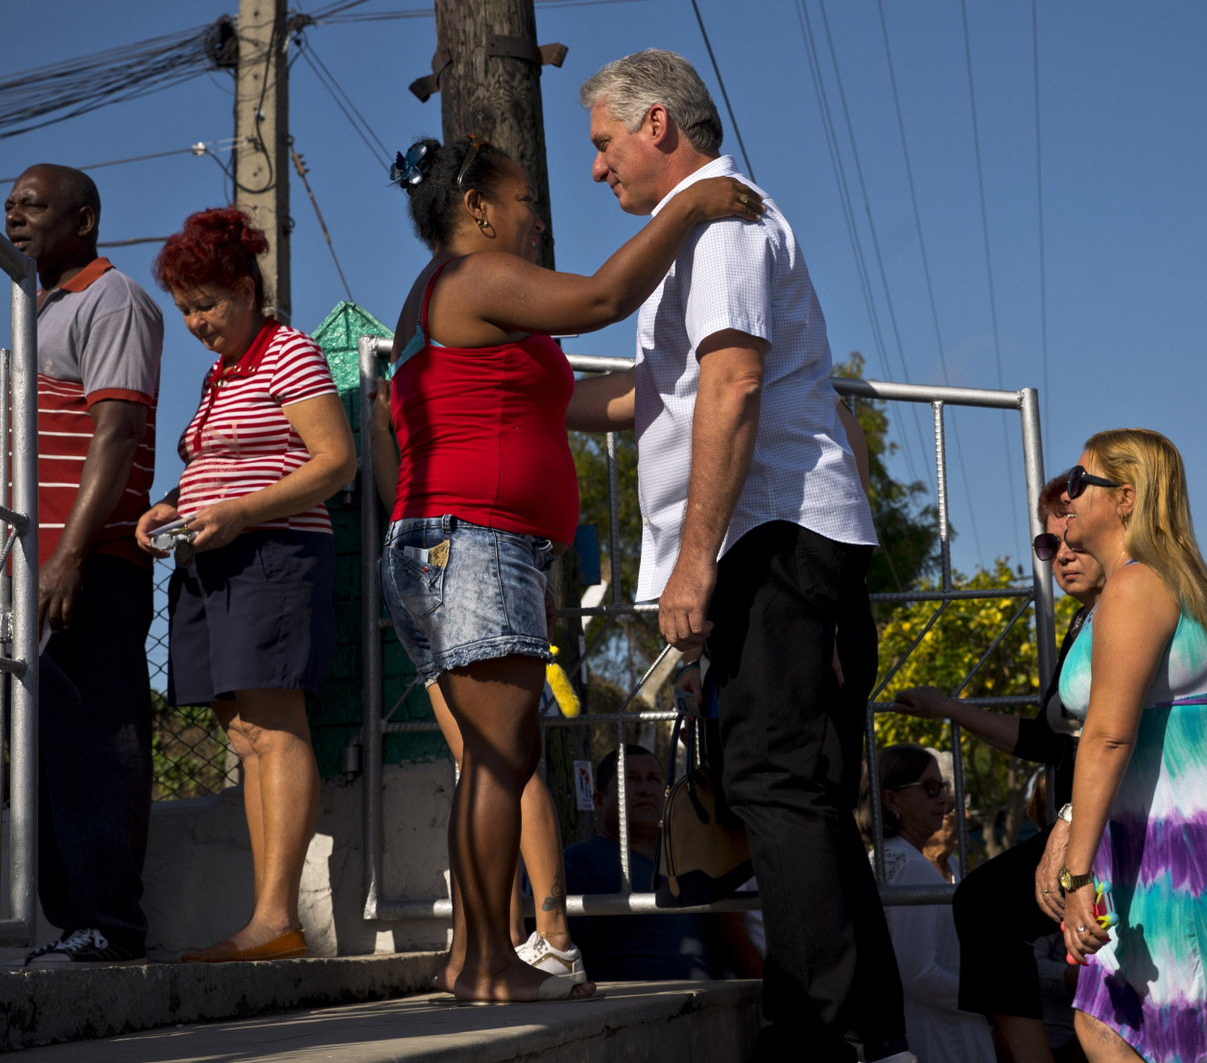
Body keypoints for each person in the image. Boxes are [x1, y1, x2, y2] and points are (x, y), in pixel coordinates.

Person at [576, 49, 910, 1063]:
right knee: (789, 786)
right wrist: (520, 388)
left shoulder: (719, 222)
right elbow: (655, 394)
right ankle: (869, 1035)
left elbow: (731, 385)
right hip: (780, 536)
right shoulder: (697, 235)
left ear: (657, 127)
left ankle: (818, 1033)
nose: (597, 170)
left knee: (773, 781)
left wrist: (692, 560)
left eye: (601, 144)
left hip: (770, 535)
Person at [376, 132, 760, 1003]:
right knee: (499, 758)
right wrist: (694, 205)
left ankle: (475, 955)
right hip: (471, 540)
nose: (536, 217)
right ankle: (484, 961)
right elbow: (600, 296)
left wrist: (685, 379)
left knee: (493, 758)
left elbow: (586, 399)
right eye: (522, 201)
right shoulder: (471, 275)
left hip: (457, 541)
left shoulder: (454, 299)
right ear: (477, 210)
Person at [136, 207, 355, 963]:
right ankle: (269, 920)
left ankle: (274, 917)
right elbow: (214, 465)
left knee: (273, 725)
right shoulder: (221, 372)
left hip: (270, 555)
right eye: (186, 308)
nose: (196, 322)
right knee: (244, 732)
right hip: (215, 561)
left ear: (244, 288)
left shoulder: (285, 352)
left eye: (206, 304)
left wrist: (238, 512)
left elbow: (335, 461)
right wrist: (173, 506)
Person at [1057, 429, 1207, 1061]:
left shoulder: (1136, 586)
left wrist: (1076, 870)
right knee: (1109, 1021)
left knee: (1186, 1037)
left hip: (1186, 845)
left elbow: (1108, 736)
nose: (1067, 495)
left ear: (1126, 498)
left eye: (1080, 483)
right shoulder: (1190, 586)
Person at [0, 165, 163, 966]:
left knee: (100, 741)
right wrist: (4, 579)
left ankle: (110, 925)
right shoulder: (42, 309)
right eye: (11, 205)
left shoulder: (110, 297)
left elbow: (118, 431)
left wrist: (66, 556)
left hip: (86, 567)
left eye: (34, 205)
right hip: (36, 571)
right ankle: (76, 925)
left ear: (84, 219)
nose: (13, 216)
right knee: (49, 749)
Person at [368, 381, 582, 984]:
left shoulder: (483, 398)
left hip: (481, 557)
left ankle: (546, 936)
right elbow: (400, 495)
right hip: (439, 565)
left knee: (500, 763)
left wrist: (538, 579)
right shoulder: (425, 417)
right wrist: (382, 429)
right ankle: (492, 943)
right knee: (484, 766)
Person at [895, 472, 1103, 1063]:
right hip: (1074, 819)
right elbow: (1045, 739)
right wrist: (948, 708)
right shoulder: (1083, 622)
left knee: (985, 906)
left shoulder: (1125, 610)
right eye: (1048, 545)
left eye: (1074, 537)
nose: (1061, 554)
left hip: (1109, 820)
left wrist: (1068, 821)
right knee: (986, 907)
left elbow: (1113, 738)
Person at [858, 745, 997, 1063]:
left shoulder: (884, 858)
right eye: (930, 788)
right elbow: (918, 972)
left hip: (931, 1027)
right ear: (891, 799)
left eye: (943, 787)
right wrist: (991, 995)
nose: (943, 799)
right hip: (945, 1035)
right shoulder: (911, 865)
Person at [562, 745, 713, 980]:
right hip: (629, 1008)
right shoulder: (580, 861)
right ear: (599, 801)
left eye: (653, 779)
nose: (645, 790)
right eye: (630, 779)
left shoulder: (687, 860)